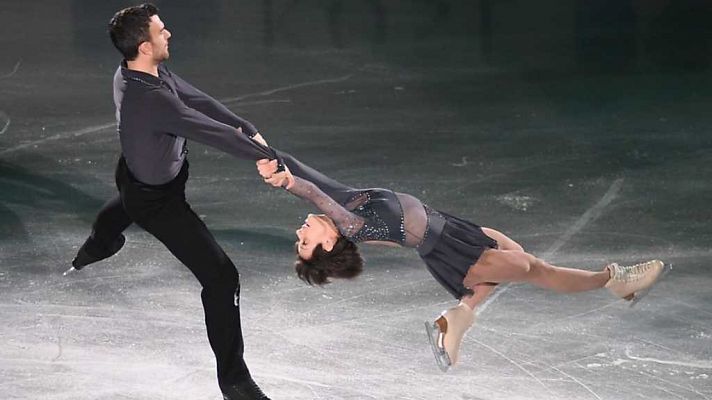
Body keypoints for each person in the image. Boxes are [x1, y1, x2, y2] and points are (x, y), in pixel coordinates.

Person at [254, 156, 667, 372]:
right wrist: (289, 183)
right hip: (449, 249)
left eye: (299, 239)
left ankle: (457, 319)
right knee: (530, 269)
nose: (299, 234)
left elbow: (301, 168)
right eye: (305, 242)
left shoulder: (346, 198)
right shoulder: (351, 222)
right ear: (328, 242)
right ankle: (614, 280)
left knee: (529, 262)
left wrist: (263, 150)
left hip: (454, 228)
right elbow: (311, 192)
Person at [68, 4, 283, 399]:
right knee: (221, 278)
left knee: (125, 202)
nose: (169, 35)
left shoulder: (143, 71)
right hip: (156, 201)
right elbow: (208, 132)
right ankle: (234, 382)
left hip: (140, 177)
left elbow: (197, 101)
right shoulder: (150, 100)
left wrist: (248, 128)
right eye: (161, 31)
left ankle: (98, 245)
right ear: (145, 46)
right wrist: (268, 157)